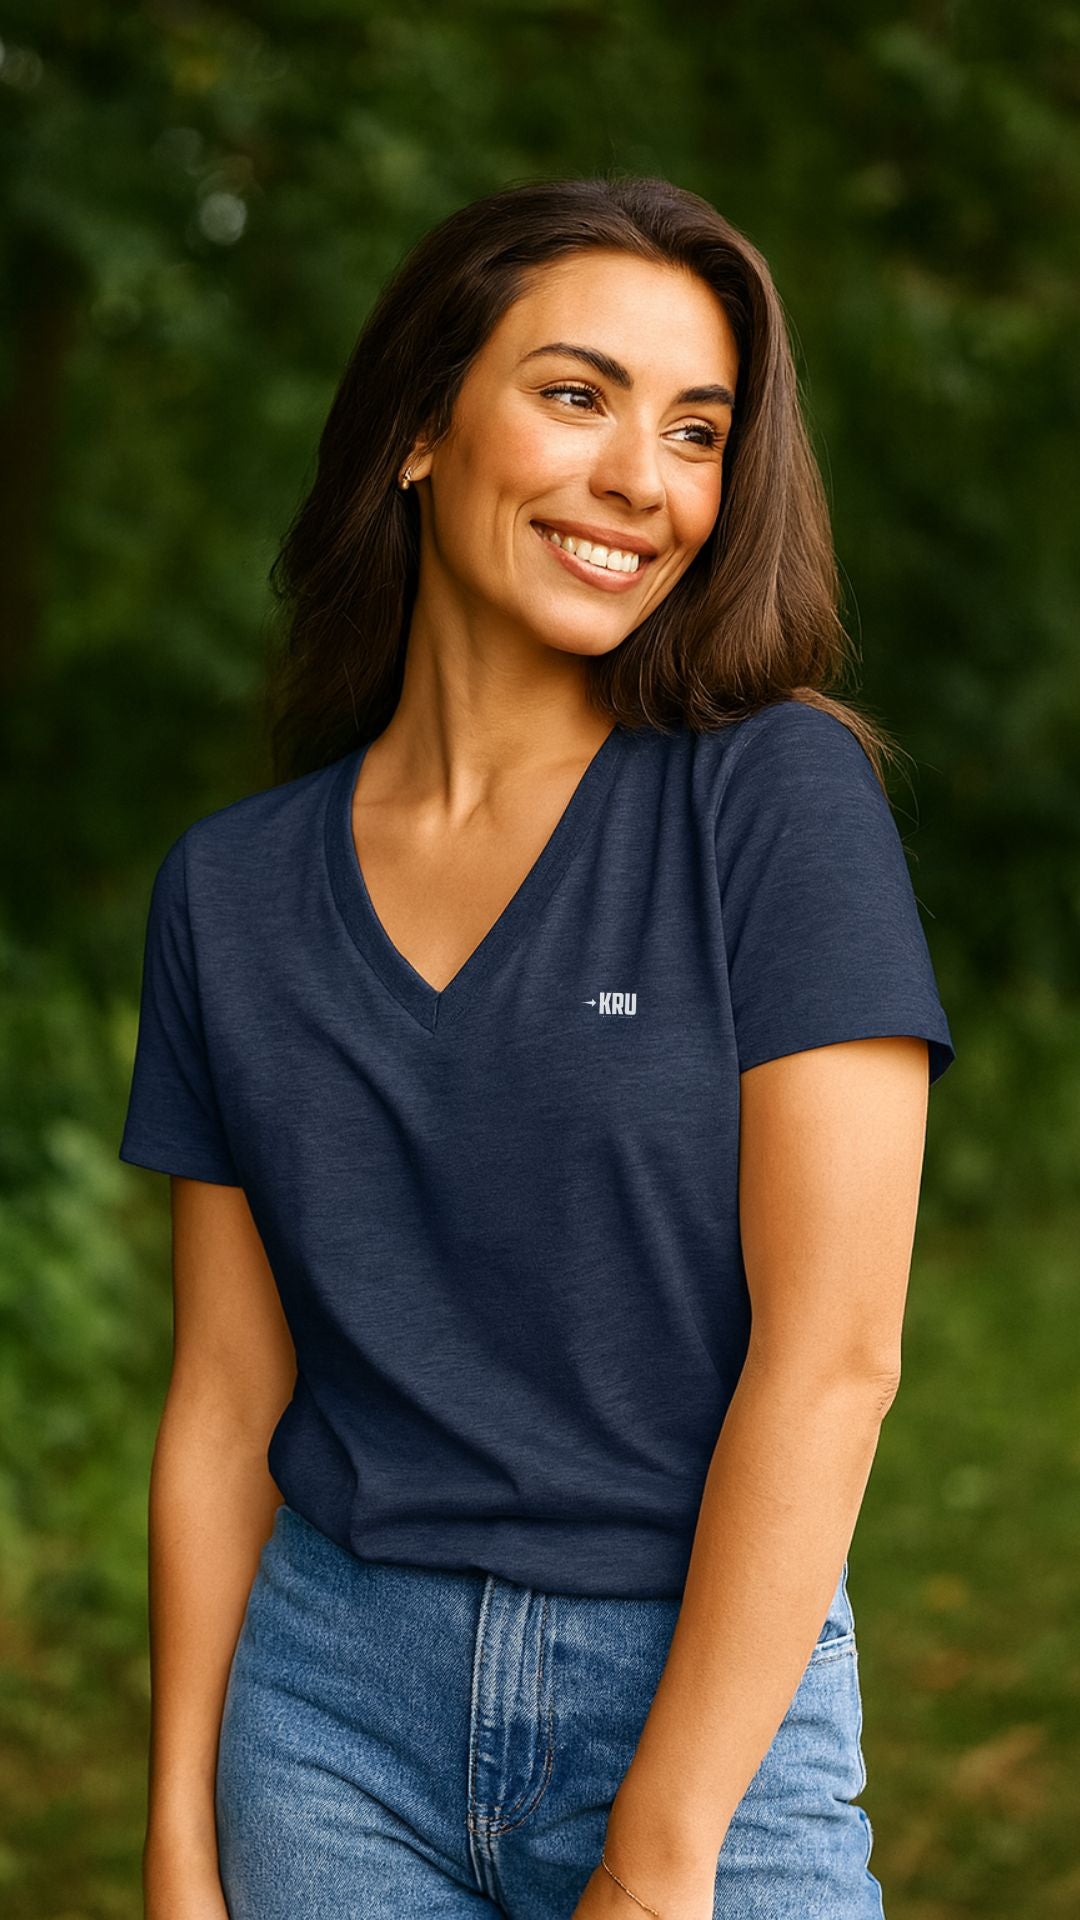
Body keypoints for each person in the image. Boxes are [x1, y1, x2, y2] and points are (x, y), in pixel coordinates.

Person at [120, 174, 957, 1920]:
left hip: (706, 1705)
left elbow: (837, 1353)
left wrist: (661, 1859)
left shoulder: (771, 794)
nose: (644, 483)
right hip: (327, 1727)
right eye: (578, 394)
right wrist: (184, 1833)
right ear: (423, 428)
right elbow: (222, 1400)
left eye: (699, 429)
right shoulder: (231, 893)